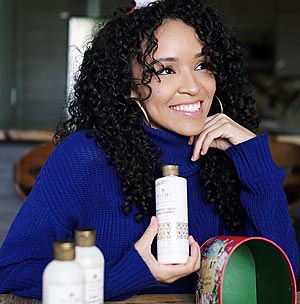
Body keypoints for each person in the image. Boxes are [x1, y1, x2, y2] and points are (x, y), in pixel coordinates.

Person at [0, 0, 299, 301]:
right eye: (166, 70)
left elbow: (283, 280)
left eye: (202, 65)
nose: (193, 87)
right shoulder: (84, 156)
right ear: (129, 84)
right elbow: (12, 272)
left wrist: (252, 158)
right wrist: (130, 274)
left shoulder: (230, 158)